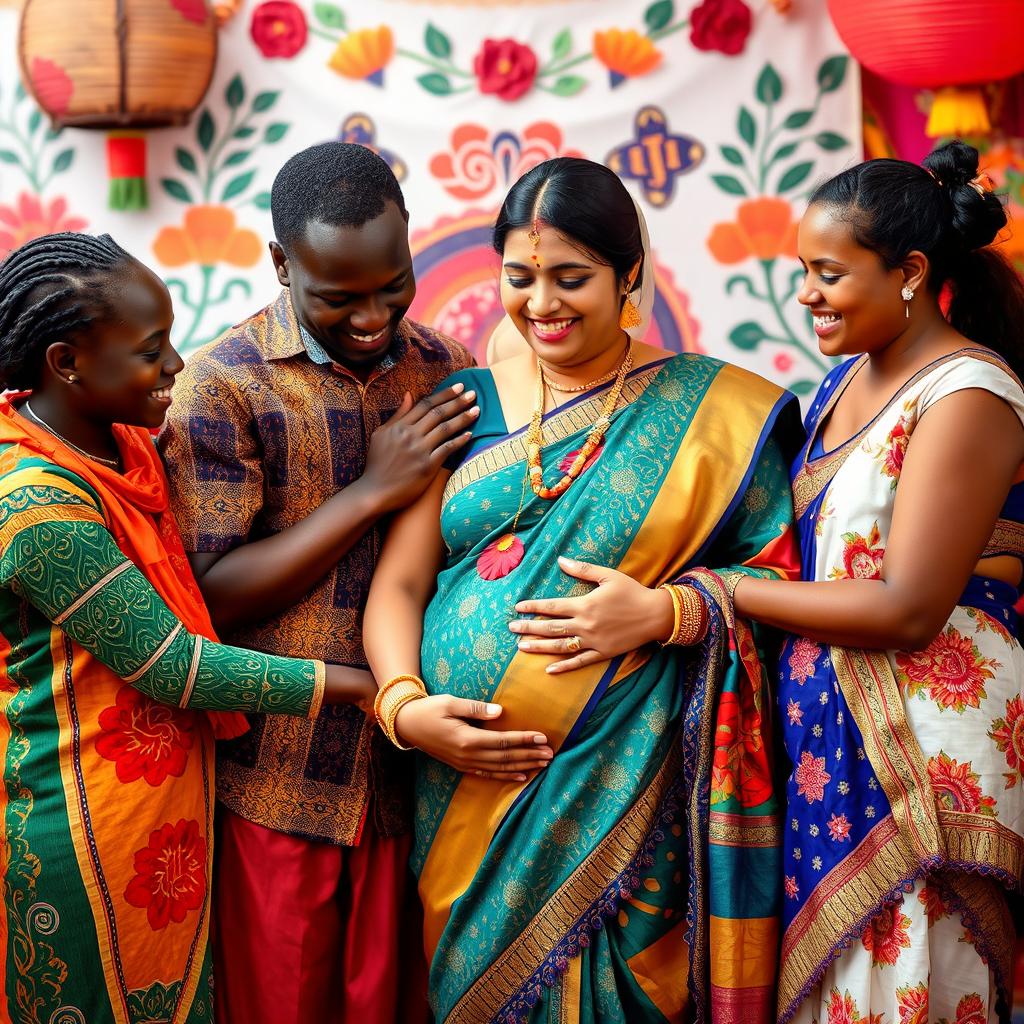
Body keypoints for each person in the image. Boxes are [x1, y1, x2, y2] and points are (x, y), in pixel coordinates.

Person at [362, 157, 803, 1023]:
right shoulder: (464, 403)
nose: (543, 304)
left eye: (573, 278)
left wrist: (668, 611)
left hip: (627, 783)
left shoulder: (716, 415)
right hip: (460, 785)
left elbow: (780, 582)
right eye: (520, 278)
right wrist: (406, 709)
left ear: (628, 273)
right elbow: (403, 581)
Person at [0, 231, 378, 1022]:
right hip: (79, 830)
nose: (177, 366)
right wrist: (369, 688)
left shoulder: (127, 450)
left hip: (163, 821)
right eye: (151, 350)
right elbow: (180, 668)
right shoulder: (36, 507)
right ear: (67, 364)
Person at [159, 142, 489, 1024]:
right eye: (339, 297)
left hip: (414, 773)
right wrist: (372, 492)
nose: (374, 315)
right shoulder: (220, 387)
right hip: (279, 781)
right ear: (280, 263)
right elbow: (210, 594)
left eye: (393, 283)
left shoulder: (450, 370)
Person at [728, 141, 1024, 1023]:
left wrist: (713, 593)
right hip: (832, 751)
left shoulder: (969, 392)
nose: (807, 294)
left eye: (827, 272)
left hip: (924, 765)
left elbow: (907, 606)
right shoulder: (843, 381)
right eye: (801, 273)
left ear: (910, 273)